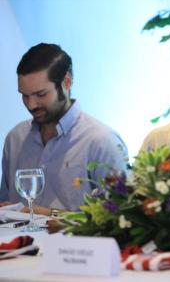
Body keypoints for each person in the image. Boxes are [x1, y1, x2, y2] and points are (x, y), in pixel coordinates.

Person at [0, 43, 128, 215]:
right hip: (19, 242)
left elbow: (120, 218)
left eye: (41, 94)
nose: (31, 105)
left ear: (66, 83)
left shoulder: (102, 142)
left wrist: (48, 214)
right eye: (24, 95)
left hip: (78, 242)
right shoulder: (15, 138)